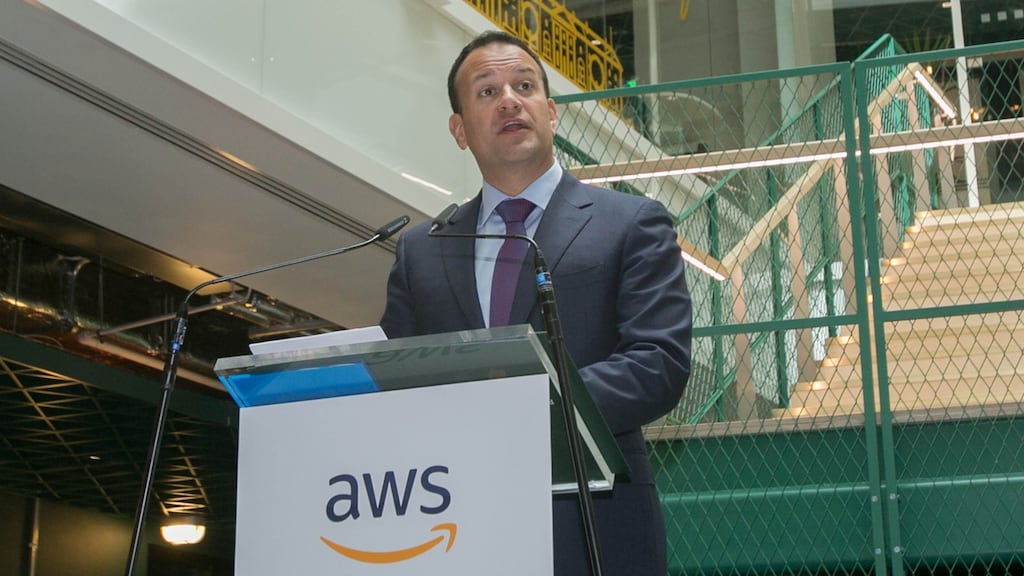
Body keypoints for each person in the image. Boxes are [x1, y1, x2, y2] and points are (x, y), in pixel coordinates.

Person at [380, 30, 692, 576]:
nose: (508, 100)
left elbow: (658, 363)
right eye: (486, 91)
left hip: (592, 522)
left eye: (524, 86)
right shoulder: (420, 250)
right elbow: (396, 383)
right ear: (459, 130)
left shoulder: (631, 222)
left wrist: (525, 406)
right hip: (452, 529)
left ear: (550, 111)